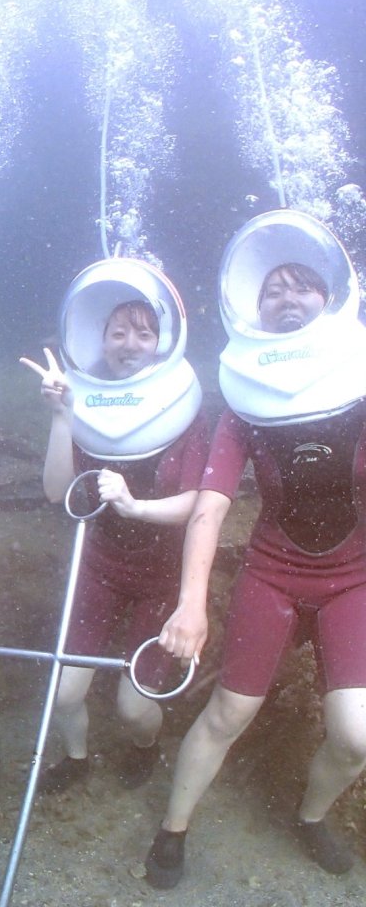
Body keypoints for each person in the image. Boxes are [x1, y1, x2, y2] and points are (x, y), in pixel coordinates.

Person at [145, 260, 366, 887]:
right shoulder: (245, 400)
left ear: (331, 300)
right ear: (254, 311)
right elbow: (210, 509)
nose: (287, 298)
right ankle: (172, 828)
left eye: (301, 286)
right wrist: (191, 605)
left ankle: (310, 817)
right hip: (272, 572)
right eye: (272, 290)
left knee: (357, 737)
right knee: (227, 713)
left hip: (354, 577)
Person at [21, 299, 208, 794]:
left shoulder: (184, 404)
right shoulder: (88, 399)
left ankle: (148, 745)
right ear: (100, 339)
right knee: (63, 696)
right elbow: (56, 492)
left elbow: (199, 503)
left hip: (162, 574)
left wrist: (135, 506)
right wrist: (62, 417)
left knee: (134, 705)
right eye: (118, 332)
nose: (130, 345)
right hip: (99, 564)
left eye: (144, 334)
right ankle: (77, 757)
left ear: (163, 341)